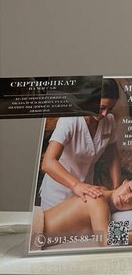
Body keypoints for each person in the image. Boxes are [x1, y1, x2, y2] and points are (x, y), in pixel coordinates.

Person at [39, 79, 122, 209]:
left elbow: (113, 156)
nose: (105, 114)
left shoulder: (109, 121)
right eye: (101, 108)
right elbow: (47, 163)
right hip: (58, 193)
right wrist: (76, 185)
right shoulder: (70, 119)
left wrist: (117, 188)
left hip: (86, 193)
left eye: (110, 109)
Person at [42, 176, 132, 247]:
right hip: (35, 229)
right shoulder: (98, 200)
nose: (126, 199)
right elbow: (106, 240)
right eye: (130, 189)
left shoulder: (103, 192)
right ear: (125, 182)